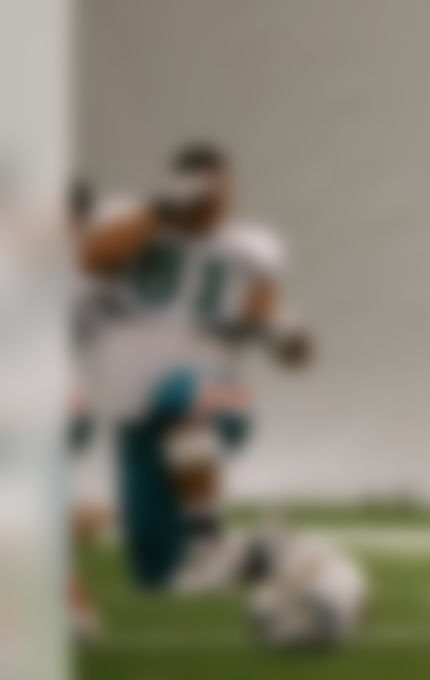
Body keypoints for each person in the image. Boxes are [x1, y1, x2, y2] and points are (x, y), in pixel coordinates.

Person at [75, 143, 312, 592]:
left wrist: (289, 332)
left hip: (219, 395)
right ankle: (258, 556)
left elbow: (295, 351)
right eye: (206, 191)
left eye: (224, 191)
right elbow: (91, 258)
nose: (217, 202)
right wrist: (162, 206)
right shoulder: (137, 225)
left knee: (182, 393)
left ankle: (213, 542)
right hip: (140, 418)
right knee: (159, 576)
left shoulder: (247, 248)